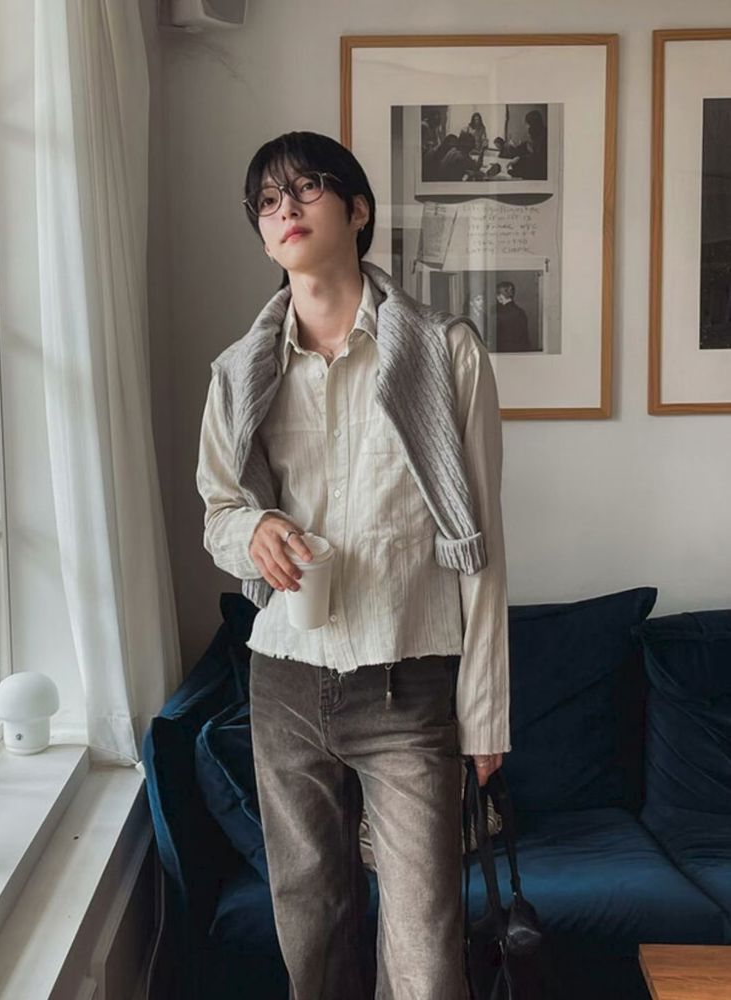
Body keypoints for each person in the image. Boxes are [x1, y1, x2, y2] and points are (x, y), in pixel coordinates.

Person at [195, 130, 511, 1000]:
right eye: (267, 201)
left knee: (425, 958)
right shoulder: (238, 372)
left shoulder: (446, 351)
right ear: (262, 234)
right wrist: (254, 530)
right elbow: (218, 513)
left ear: (357, 209)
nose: (285, 209)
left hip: (407, 683)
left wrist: (484, 716)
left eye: (305, 188)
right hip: (284, 681)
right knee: (311, 937)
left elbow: (480, 544)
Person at [494, 280, 534, 352]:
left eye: (497, 294)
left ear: (501, 296)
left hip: (503, 351)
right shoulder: (521, 312)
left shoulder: (498, 313)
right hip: (520, 351)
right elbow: (525, 337)